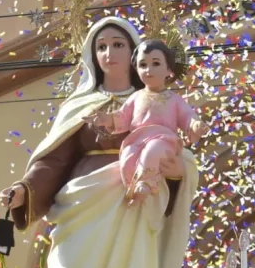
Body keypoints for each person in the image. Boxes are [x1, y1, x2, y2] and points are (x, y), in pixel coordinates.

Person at [0, 16, 199, 268]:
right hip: (82, 213)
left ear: (138, 52)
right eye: (102, 46)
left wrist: (179, 171)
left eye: (119, 45)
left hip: (135, 213)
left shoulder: (156, 103)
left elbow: (180, 155)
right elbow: (53, 163)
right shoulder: (79, 106)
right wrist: (25, 191)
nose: (110, 53)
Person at [86, 39, 209, 207]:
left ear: (169, 70)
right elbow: (122, 117)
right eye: (143, 65)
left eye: (156, 64)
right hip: (137, 140)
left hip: (164, 141)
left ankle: (146, 185)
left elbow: (187, 116)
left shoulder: (174, 100)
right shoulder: (136, 97)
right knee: (128, 155)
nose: (149, 70)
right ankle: (134, 186)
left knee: (153, 150)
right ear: (136, 69)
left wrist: (195, 125)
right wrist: (105, 119)